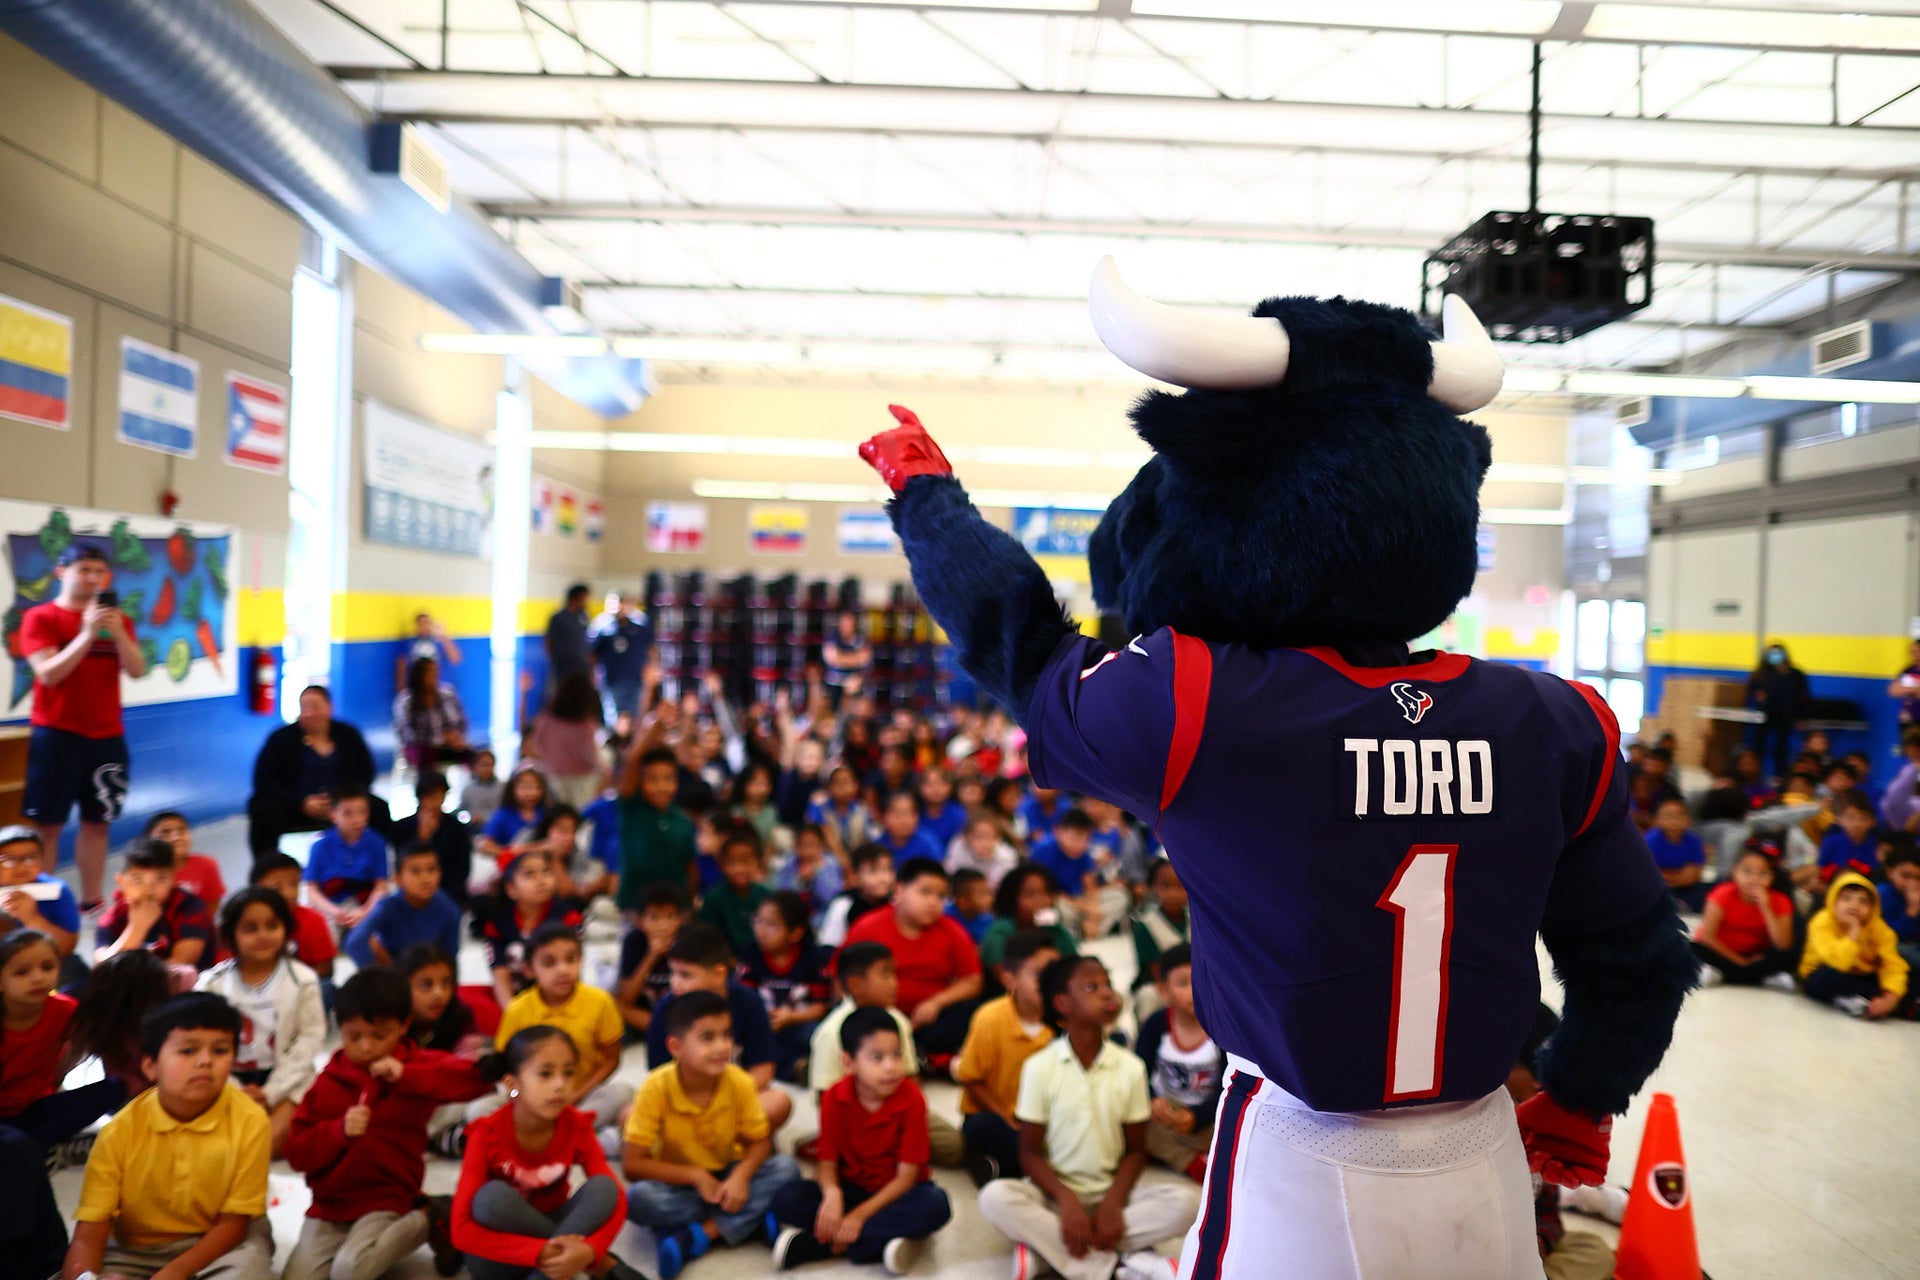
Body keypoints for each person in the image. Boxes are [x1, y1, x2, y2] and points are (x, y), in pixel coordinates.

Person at [977, 955, 1200, 1280]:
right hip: (1053, 1195)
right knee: (994, 1198)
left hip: (1112, 1194)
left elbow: (1136, 1150)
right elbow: (1029, 1153)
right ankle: (1117, 1264)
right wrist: (1067, 1202)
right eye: (1092, 987)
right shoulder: (1040, 1068)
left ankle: (1051, 1253)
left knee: (1190, 1204)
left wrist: (1111, 1204)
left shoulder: (1130, 1067)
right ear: (1062, 1003)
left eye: (1108, 984)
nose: (1108, 993)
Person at [282, 967, 491, 1280]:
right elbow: (297, 1153)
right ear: (339, 1027)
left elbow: (478, 1080)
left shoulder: (414, 1065)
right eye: (354, 1037)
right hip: (330, 1206)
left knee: (349, 1272)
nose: (366, 1047)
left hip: (388, 1197)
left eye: (379, 1036)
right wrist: (338, 1131)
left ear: (404, 1025)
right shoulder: (327, 1082)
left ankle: (428, 1215)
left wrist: (408, 1076)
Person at [64, 992, 275, 1280]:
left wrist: (173, 1273)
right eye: (188, 1051)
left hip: (219, 1244)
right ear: (150, 1066)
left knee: (247, 1271)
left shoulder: (250, 1120)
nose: (205, 1061)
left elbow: (234, 1225)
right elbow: (89, 1233)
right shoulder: (119, 1131)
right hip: (135, 1249)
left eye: (220, 1050)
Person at [622, 990, 803, 1278]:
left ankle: (699, 1234)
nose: (722, 1047)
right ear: (676, 1047)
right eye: (707, 1038)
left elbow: (760, 1143)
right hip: (680, 1180)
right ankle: (751, 1220)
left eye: (727, 1035)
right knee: (638, 1200)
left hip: (729, 1172)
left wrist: (741, 1178)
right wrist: (696, 1176)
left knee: (787, 1169)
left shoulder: (739, 1081)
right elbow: (633, 1165)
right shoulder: (655, 1088)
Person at [769, 1007, 953, 1273]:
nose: (891, 1067)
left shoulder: (912, 1099)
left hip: (897, 1194)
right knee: (786, 1198)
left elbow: (907, 1177)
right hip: (851, 1189)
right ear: (848, 1062)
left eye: (897, 1055)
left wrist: (859, 1216)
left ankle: (830, 1245)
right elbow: (827, 1163)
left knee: (936, 1205)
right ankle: (880, 1241)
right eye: (877, 1058)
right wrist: (832, 1194)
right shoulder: (834, 1097)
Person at [451, 1026, 642, 1280]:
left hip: (556, 1221)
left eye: (568, 1073)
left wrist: (589, 1250)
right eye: (546, 1074)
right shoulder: (485, 1134)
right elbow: (462, 1230)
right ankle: (598, 1264)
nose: (559, 1085)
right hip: (500, 1252)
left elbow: (617, 1199)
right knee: (491, 1198)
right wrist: (549, 1252)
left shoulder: (576, 1125)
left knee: (604, 1188)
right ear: (512, 1084)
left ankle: (557, 1271)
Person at [21, 542, 146, 909]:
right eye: (84, 570)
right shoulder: (41, 618)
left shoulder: (119, 621)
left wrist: (117, 631)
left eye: (98, 572)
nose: (92, 578)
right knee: (48, 826)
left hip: (107, 736)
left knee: (98, 823)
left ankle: (91, 900)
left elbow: (137, 670)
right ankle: (40, 903)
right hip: (57, 734)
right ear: (62, 572)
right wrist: (87, 634)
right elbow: (48, 674)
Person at [195, 888, 326, 1157]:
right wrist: (237, 1090)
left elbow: (309, 1040)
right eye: (250, 928)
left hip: (287, 1079)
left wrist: (271, 1092)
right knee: (210, 1140)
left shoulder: (303, 980)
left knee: (263, 1144)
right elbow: (201, 1044)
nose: (263, 935)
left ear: (286, 929)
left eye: (272, 926)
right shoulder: (211, 984)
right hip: (224, 1080)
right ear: (231, 935)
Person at [1504, 1005, 1618, 1280]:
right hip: (1473, 1255)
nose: (1540, 1084)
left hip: (1521, 1254)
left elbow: (1547, 1215)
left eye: (1550, 1073)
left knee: (1593, 1251)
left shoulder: (1545, 1124)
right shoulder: (1472, 1125)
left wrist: (1540, 1244)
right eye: (1533, 1069)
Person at [645, 924, 791, 1134]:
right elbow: (658, 1074)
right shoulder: (665, 1009)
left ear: (719, 974)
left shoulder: (749, 1002)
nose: (675, 984)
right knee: (629, 1115)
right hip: (682, 1105)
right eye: (672, 974)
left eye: (685, 975)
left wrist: (723, 1103)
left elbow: (763, 1070)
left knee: (778, 1102)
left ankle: (722, 1142)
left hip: (733, 1101)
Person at [492, 923, 633, 1131]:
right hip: (530, 1101)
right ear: (529, 969)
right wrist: (521, 1099)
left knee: (621, 1093)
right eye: (549, 963)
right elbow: (504, 1067)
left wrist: (576, 1096)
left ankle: (550, 1134)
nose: (563, 970)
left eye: (571, 959)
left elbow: (611, 1059)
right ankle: (572, 1133)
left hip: (580, 1097)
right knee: (480, 1109)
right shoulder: (518, 1009)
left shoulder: (599, 1001)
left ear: (581, 961)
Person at [840, 857, 982, 1059]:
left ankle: (919, 1054)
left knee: (974, 1013)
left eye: (941, 896)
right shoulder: (867, 927)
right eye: (925, 892)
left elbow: (972, 981)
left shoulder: (952, 931)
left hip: (928, 1020)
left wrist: (936, 1002)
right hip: (879, 1014)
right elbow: (843, 976)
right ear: (899, 891)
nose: (933, 902)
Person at [954, 927, 1060, 1186]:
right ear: (1009, 979)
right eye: (1039, 975)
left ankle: (1012, 1168)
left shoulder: (1065, 1017)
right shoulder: (990, 1018)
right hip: (998, 1114)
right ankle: (1022, 1167)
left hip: (1046, 1119)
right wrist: (1008, 1120)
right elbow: (971, 1079)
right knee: (983, 1128)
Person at [0, 929, 122, 1150]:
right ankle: (33, 1147)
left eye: (47, 967)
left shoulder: (66, 1010)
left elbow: (84, 1048)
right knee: (16, 1143)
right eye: (21, 972)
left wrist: (57, 1076)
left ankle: (32, 1147)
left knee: (115, 1087)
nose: (38, 978)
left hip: (36, 1107)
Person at [247, 684, 388, 862]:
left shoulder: (349, 735)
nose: (309, 713)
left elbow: (366, 773)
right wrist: (301, 802)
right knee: (263, 814)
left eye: (315, 706)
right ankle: (267, 869)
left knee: (380, 809)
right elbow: (264, 781)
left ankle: (376, 864)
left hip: (342, 803)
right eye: (304, 708)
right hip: (295, 806)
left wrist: (341, 800)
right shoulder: (281, 739)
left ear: (329, 707)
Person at [1134, 944, 1220, 1184]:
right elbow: (1138, 1071)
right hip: (1167, 1117)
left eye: (1200, 980)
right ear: (1163, 990)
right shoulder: (1156, 1025)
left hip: (1207, 1116)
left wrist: (1196, 1116)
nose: (1195, 990)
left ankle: (1197, 1156)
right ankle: (1192, 1162)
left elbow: (1228, 1086)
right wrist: (1153, 1099)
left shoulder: (1221, 1028)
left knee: (1234, 1123)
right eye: (1183, 984)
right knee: (1137, 1121)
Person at [740, 891, 830, 1084]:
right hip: (761, 1024)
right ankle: (796, 1068)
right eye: (758, 921)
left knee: (815, 1035)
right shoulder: (751, 953)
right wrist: (761, 1019)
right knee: (748, 1039)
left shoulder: (812, 958)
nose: (761, 930)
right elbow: (742, 999)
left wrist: (790, 1017)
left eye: (771, 925)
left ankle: (793, 1066)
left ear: (796, 932)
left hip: (797, 1023)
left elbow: (819, 1008)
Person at [480, 850, 585, 1010]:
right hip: (514, 998)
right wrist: (513, 1012)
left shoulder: (568, 918)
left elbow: (573, 972)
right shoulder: (498, 923)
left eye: (546, 872)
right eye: (530, 874)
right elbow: (500, 976)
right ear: (511, 889)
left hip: (559, 998)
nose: (541, 880)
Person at [1799, 872, 1910, 1018]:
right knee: (1827, 977)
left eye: (1863, 901)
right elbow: (1837, 963)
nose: (1854, 905)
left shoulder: (1880, 929)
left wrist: (1890, 997)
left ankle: (1875, 1002)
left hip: (1862, 975)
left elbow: (1892, 966)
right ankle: (1888, 1003)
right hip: (1826, 971)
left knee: (1910, 977)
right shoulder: (1822, 921)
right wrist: (1853, 931)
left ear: (1873, 907)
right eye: (1846, 898)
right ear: (1834, 901)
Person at [95, 837, 215, 969]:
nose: (148, 890)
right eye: (138, 880)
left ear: (173, 880)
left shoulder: (190, 907)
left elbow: (182, 963)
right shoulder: (113, 916)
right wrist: (137, 928)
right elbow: (102, 967)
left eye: (159, 879)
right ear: (120, 881)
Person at [1693, 844, 1797, 988]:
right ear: (1734, 872)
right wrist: (1740, 961)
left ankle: (1737, 974)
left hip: (1754, 954)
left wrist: (1766, 907)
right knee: (1692, 949)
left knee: (1789, 954)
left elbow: (1783, 944)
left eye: (1763, 874)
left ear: (1772, 877)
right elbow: (1708, 938)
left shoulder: (1780, 900)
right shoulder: (1722, 894)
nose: (1754, 879)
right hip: (1721, 952)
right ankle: (1754, 975)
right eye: (1747, 872)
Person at [343, 843, 463, 968]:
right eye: (415, 871)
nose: (426, 879)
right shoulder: (387, 906)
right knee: (373, 943)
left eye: (431, 870)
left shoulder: (449, 910)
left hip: (427, 972)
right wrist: (379, 975)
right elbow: (355, 942)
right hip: (393, 971)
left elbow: (450, 960)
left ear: (440, 873)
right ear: (397, 879)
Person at [978, 862, 1077, 999]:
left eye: (1047, 893)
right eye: (1030, 895)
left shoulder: (1056, 932)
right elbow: (1008, 981)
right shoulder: (1000, 934)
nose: (1041, 901)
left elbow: (1075, 973)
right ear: (1011, 899)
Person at [0, 825, 84, 986]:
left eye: (30, 858)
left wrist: (31, 917)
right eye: (9, 860)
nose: (21, 866)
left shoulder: (57, 890)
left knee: (75, 973)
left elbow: (66, 948)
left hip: (44, 959)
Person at [616, 746, 697, 911]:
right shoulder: (632, 809)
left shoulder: (683, 820)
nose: (662, 787)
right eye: (652, 779)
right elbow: (633, 761)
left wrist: (688, 904)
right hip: (635, 907)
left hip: (673, 907)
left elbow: (690, 868)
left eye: (669, 779)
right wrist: (655, 722)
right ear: (640, 782)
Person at [303, 789, 391, 932]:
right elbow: (312, 889)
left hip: (364, 904)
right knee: (322, 934)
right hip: (330, 906)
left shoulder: (377, 843)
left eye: (362, 812)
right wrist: (334, 911)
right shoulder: (319, 846)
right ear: (333, 814)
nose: (357, 819)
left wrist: (365, 911)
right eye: (348, 813)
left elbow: (381, 886)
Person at [1032, 810, 1123, 940]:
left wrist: (1092, 912)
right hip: (1058, 900)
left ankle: (1089, 930)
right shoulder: (1043, 850)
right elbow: (1049, 893)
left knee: (1119, 895)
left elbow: (1089, 882)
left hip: (1079, 901)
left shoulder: (1083, 851)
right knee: (1057, 908)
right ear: (1058, 832)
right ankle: (1079, 932)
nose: (1080, 844)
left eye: (1086, 839)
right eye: (1075, 838)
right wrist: (1086, 908)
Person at [249, 854, 337, 984]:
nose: (289, 893)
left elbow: (326, 970)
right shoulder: (248, 921)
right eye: (277, 888)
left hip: (304, 985)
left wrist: (291, 984)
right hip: (259, 986)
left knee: (326, 987)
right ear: (256, 889)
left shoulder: (313, 919)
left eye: (294, 884)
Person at [524, 673, 608, 810]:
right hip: (582, 785)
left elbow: (535, 747)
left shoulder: (544, 722)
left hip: (552, 782)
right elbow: (597, 763)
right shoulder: (584, 727)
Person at [615, 881, 688, 1037]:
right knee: (612, 1004)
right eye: (654, 918)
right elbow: (627, 997)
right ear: (639, 921)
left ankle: (672, 1031)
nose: (663, 926)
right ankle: (664, 1031)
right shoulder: (634, 941)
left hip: (684, 1014)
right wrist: (651, 956)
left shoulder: (688, 939)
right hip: (648, 1017)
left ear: (681, 919)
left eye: (670, 917)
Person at [394, 770, 475, 907]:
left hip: (449, 892)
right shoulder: (402, 827)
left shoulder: (456, 827)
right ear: (420, 797)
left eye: (439, 796)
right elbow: (399, 864)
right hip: (411, 892)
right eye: (430, 796)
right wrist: (422, 837)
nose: (434, 802)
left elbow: (463, 868)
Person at [394, 654, 476, 775]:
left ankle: (475, 790)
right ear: (419, 675)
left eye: (435, 671)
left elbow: (462, 721)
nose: (434, 676)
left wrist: (456, 737)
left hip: (451, 746)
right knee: (425, 755)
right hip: (422, 749)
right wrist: (441, 739)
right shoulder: (406, 702)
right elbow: (409, 736)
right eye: (429, 672)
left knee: (475, 756)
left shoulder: (448, 693)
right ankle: (430, 790)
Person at [698, 825, 772, 957]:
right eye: (732, 862)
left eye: (746, 861)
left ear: (758, 862)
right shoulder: (713, 898)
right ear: (721, 865)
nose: (739, 869)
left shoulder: (766, 896)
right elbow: (708, 940)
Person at [1130, 860, 1187, 1021]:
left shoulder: (1196, 920)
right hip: (1161, 985)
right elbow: (1154, 969)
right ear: (1153, 887)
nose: (1173, 893)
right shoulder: (1146, 924)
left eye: (1179, 886)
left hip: (1197, 982)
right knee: (1148, 996)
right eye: (1165, 886)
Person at [1745, 640, 1810, 779]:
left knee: (1781, 748)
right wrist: (1758, 697)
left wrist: (1802, 717)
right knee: (1759, 747)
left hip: (1786, 715)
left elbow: (1803, 697)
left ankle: (1781, 776)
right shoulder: (1762, 674)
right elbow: (1752, 690)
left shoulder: (1795, 674)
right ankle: (1755, 775)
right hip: (1764, 715)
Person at [817, 843, 896, 949]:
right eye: (873, 871)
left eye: (887, 869)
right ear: (855, 875)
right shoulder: (843, 904)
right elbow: (829, 945)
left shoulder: (896, 904)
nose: (883, 878)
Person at [592, 593, 654, 728]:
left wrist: (651, 669)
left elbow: (651, 649)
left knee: (635, 717)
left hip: (635, 680)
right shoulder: (602, 627)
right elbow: (592, 654)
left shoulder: (640, 626)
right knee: (613, 719)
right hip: (611, 681)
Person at [143, 811, 226, 907]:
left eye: (182, 830)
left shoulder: (206, 864)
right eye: (165, 832)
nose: (176, 837)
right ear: (149, 840)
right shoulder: (142, 872)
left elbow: (212, 902)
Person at [1645, 797, 1708, 913]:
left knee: (1708, 889)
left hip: (1684, 886)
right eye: (1668, 816)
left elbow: (1693, 874)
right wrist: (1672, 876)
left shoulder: (1694, 841)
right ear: (1657, 819)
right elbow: (1649, 872)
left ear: (1688, 820)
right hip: (1657, 886)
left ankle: (1679, 905)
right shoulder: (1650, 840)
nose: (1674, 820)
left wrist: (1673, 877)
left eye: (1680, 816)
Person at [476, 764, 550, 862]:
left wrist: (521, 850)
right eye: (525, 787)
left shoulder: (547, 813)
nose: (532, 793)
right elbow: (485, 845)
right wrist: (508, 853)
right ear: (512, 789)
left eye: (536, 787)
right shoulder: (503, 815)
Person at [808, 766, 875, 872]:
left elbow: (866, 839)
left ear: (856, 785)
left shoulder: (863, 810)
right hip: (828, 858)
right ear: (829, 787)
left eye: (847, 782)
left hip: (857, 856)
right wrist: (847, 866)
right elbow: (830, 841)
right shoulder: (819, 808)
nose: (843, 787)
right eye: (838, 783)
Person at [774, 823, 844, 923]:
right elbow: (781, 896)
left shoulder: (831, 864)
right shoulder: (788, 864)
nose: (807, 850)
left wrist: (816, 876)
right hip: (793, 918)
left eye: (811, 844)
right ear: (796, 846)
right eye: (802, 845)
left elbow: (831, 899)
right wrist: (799, 881)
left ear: (821, 846)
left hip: (822, 919)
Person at [1814, 791, 1879, 886]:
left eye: (1862, 819)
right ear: (1839, 820)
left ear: (1872, 822)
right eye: (1850, 818)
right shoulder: (1831, 842)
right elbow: (1821, 869)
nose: (1856, 824)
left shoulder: (1875, 844)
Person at [1880, 836, 1920, 974]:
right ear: (1890, 872)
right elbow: (1888, 937)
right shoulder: (1882, 895)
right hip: (1892, 947)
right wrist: (1911, 911)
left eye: (1918, 878)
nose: (1912, 883)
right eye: (1905, 876)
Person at [545, 582, 595, 690]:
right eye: (585, 597)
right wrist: (557, 658)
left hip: (582, 666)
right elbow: (548, 641)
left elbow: (587, 640)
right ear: (578, 596)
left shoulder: (584, 615)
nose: (587, 601)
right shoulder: (559, 617)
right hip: (564, 667)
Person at [397, 612, 462, 691]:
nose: (424, 627)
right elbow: (401, 668)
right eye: (421, 624)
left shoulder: (440, 642)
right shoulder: (408, 644)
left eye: (427, 623)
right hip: (418, 690)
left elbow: (456, 659)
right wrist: (401, 690)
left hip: (440, 688)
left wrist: (443, 637)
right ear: (416, 627)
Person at [874, 792, 941, 867]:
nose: (905, 821)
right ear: (883, 817)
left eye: (910, 814)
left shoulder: (928, 843)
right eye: (898, 815)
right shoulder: (878, 847)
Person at [822, 611, 872, 710]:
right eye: (844, 622)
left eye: (849, 623)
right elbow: (833, 659)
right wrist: (854, 658)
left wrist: (842, 657)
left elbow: (864, 659)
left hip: (854, 682)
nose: (846, 626)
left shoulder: (861, 640)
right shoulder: (832, 638)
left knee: (856, 688)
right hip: (833, 683)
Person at [946, 867, 995, 944]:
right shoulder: (945, 916)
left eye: (989, 893)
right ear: (963, 901)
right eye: (983, 894)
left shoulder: (988, 921)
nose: (990, 899)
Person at [460, 748, 505, 829]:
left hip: (498, 829)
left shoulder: (503, 787)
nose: (487, 768)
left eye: (490, 765)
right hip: (474, 828)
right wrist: (470, 817)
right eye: (483, 765)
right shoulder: (468, 789)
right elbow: (461, 812)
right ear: (475, 766)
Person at [1887, 637, 1920, 726]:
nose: (1913, 654)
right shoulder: (1908, 670)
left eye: (1917, 651)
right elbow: (1892, 690)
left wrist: (1906, 688)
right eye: (1912, 651)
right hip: (1908, 720)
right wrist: (1916, 689)